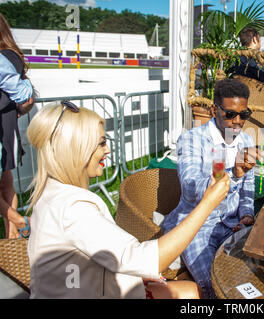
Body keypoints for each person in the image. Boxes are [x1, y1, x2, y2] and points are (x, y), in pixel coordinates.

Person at [26, 101, 230, 298]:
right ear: (77, 149)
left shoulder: (52, 193)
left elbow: (94, 258)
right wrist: (207, 204)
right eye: (101, 143)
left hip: (98, 285)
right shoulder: (73, 209)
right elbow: (147, 260)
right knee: (201, 292)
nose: (107, 150)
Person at [162, 79, 264, 298]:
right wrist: (232, 173)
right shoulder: (191, 139)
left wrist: (246, 214)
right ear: (213, 110)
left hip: (232, 226)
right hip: (195, 225)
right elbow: (190, 189)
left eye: (243, 115)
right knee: (214, 287)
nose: (237, 122)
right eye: (230, 114)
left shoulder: (246, 140)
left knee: (250, 282)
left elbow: (248, 188)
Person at [0, 13, 35, 239]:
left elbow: (25, 96)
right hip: (8, 124)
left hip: (4, 125)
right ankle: (13, 235)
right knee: (6, 180)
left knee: (5, 180)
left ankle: (17, 222)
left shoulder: (5, 57)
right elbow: (25, 97)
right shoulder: (12, 55)